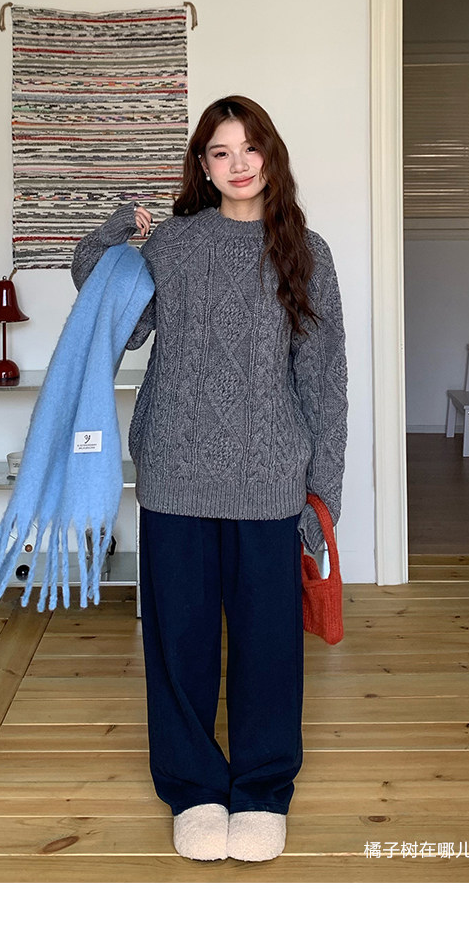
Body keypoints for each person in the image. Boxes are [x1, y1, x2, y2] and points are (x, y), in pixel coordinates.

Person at [71, 95, 348, 863]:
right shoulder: (175, 244)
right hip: (175, 472)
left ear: (271, 154)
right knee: (180, 640)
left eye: (250, 148)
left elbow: (324, 381)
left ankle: (261, 788)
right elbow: (115, 321)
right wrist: (110, 233)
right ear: (202, 164)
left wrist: (323, 492)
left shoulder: (307, 252)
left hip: (271, 480)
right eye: (221, 152)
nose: (238, 164)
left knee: (268, 645)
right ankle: (193, 787)